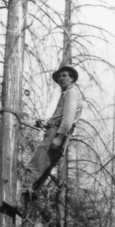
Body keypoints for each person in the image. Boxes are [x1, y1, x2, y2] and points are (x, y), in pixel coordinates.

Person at [24, 63, 83, 193]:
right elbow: (61, 116)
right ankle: (23, 205)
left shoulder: (71, 93)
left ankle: (19, 200)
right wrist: (45, 124)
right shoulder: (67, 93)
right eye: (59, 77)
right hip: (56, 132)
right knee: (42, 171)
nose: (61, 79)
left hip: (56, 134)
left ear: (71, 78)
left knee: (36, 165)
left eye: (64, 76)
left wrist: (59, 136)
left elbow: (68, 119)